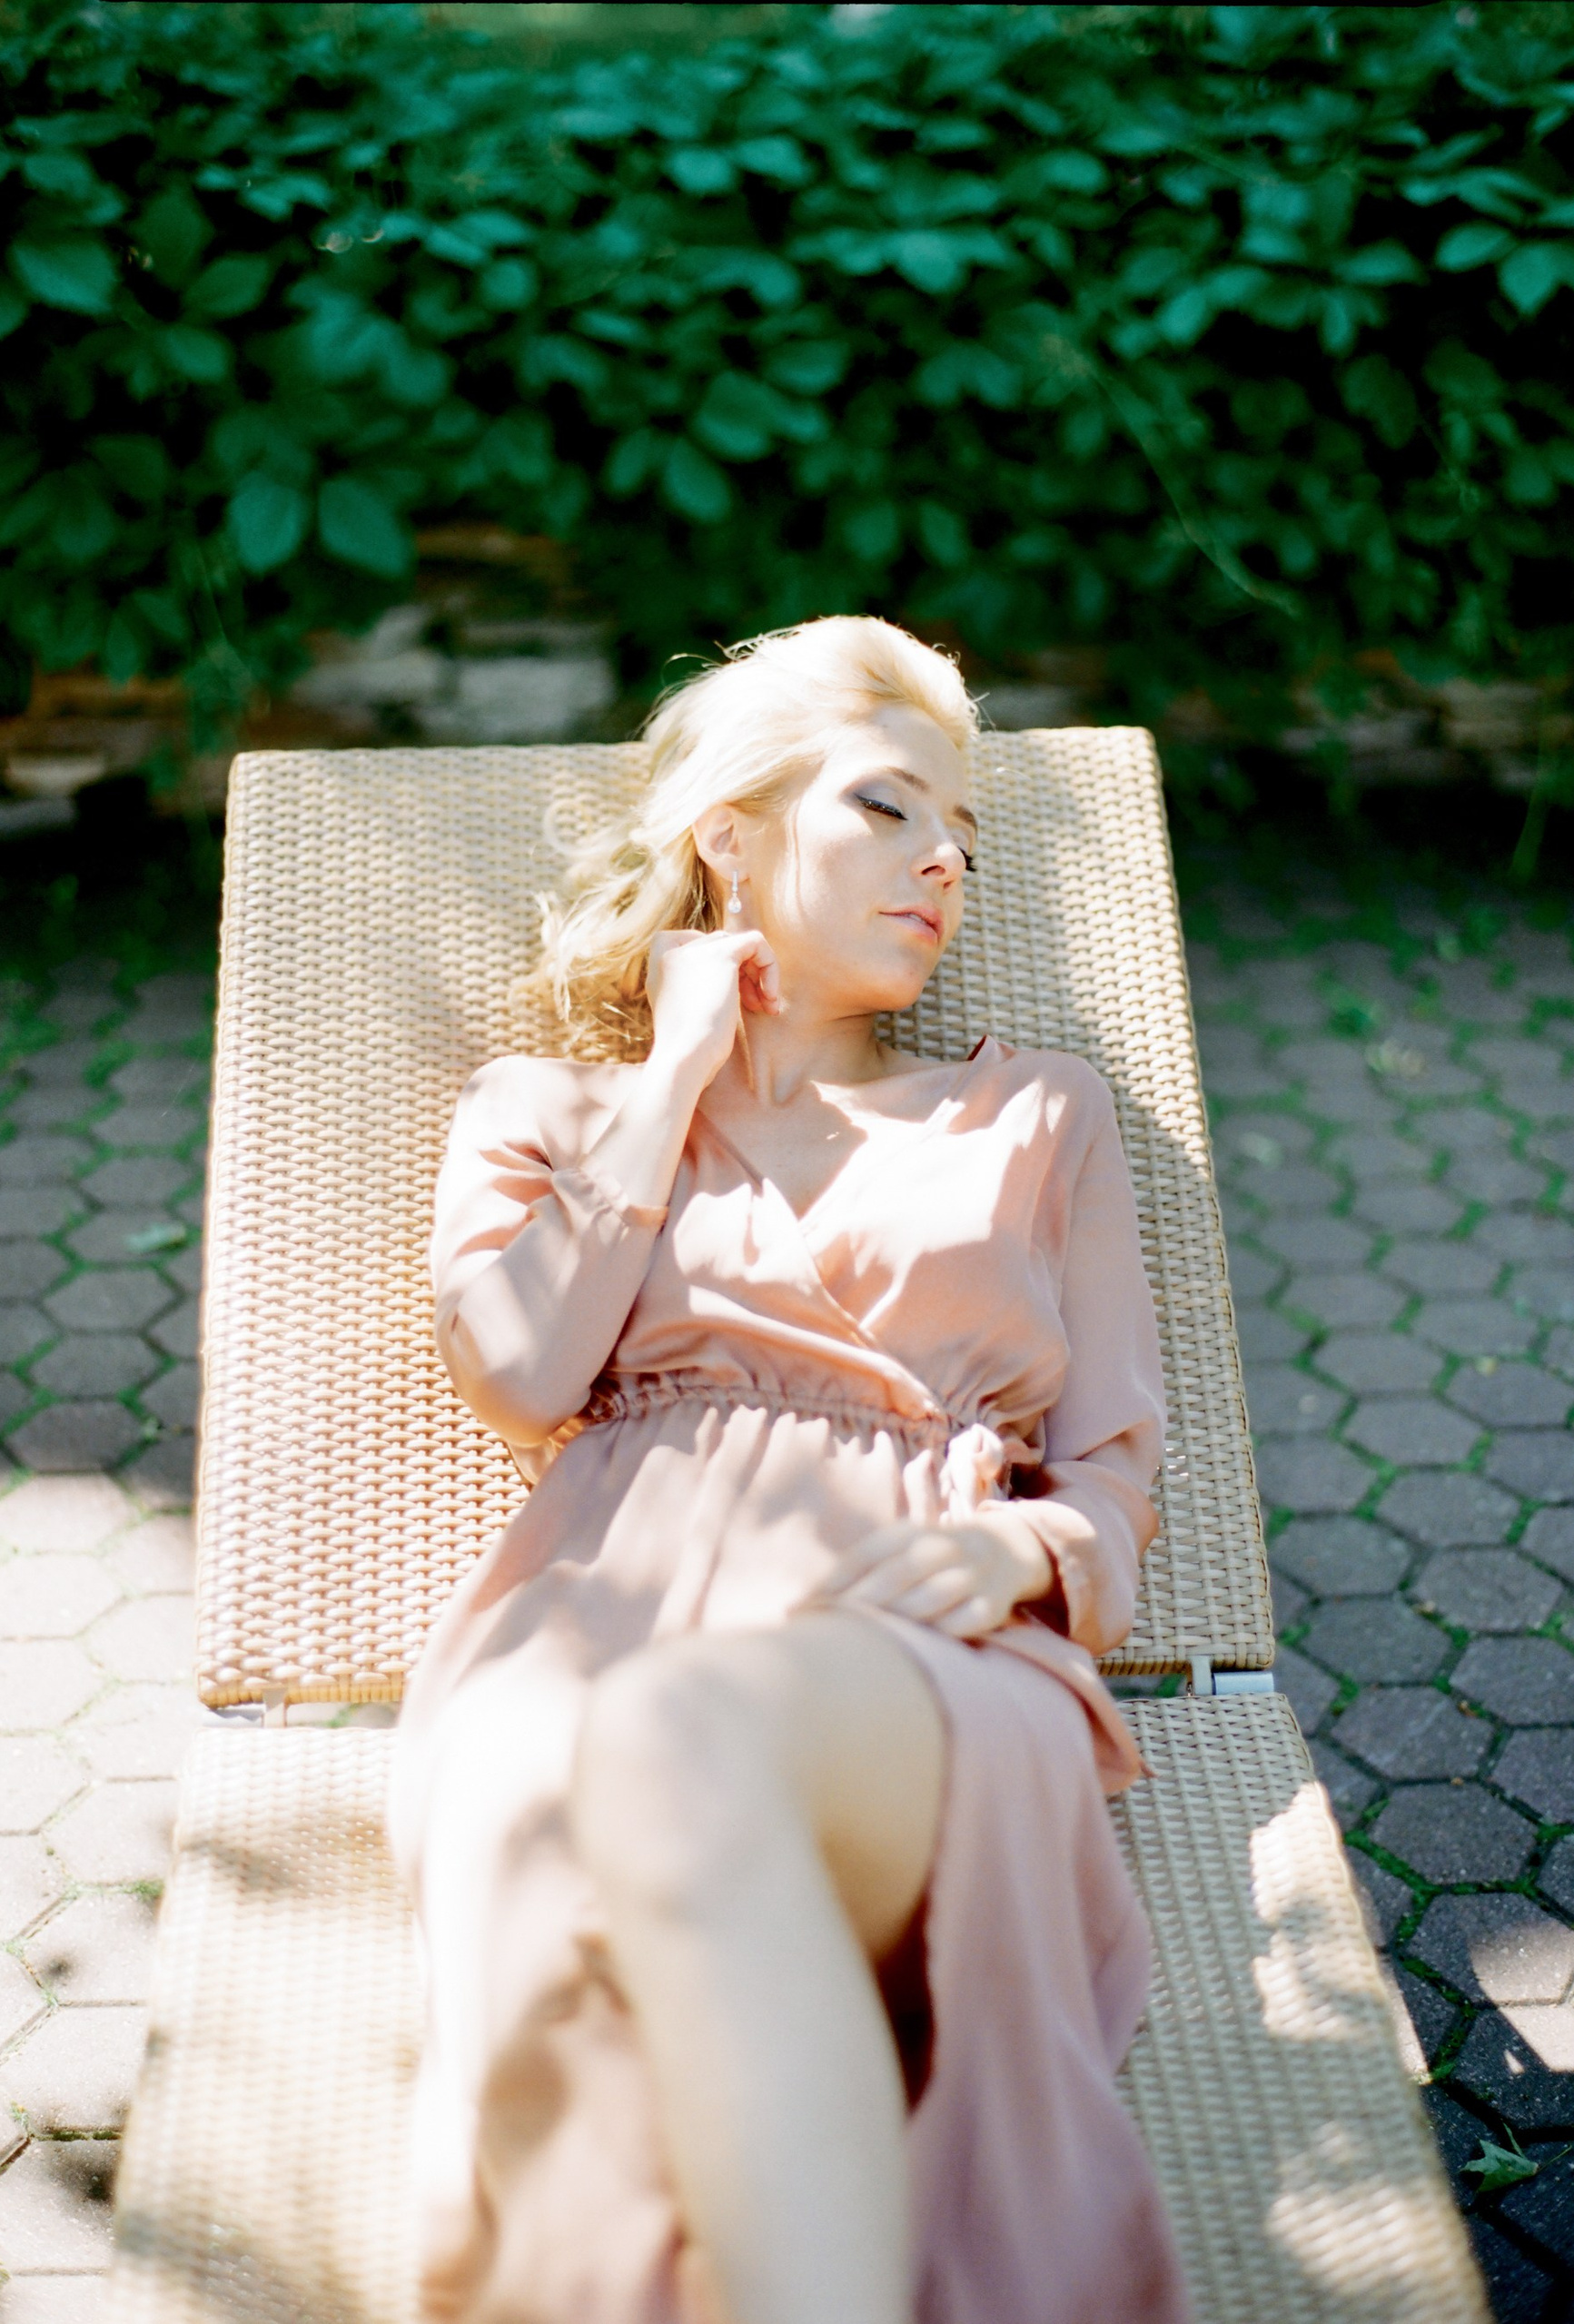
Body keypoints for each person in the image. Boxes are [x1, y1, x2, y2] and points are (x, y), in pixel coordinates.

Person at [389, 615, 1188, 2324]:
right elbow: (520, 1377)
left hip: (906, 1644)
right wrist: (673, 1075)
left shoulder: (1041, 1114)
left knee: (681, 1744)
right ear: (729, 838)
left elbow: (1114, 1472)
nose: (942, 860)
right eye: (889, 807)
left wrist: (1029, 1556)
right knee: (567, 1796)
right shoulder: (545, 1110)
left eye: (962, 834)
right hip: (580, 1627)